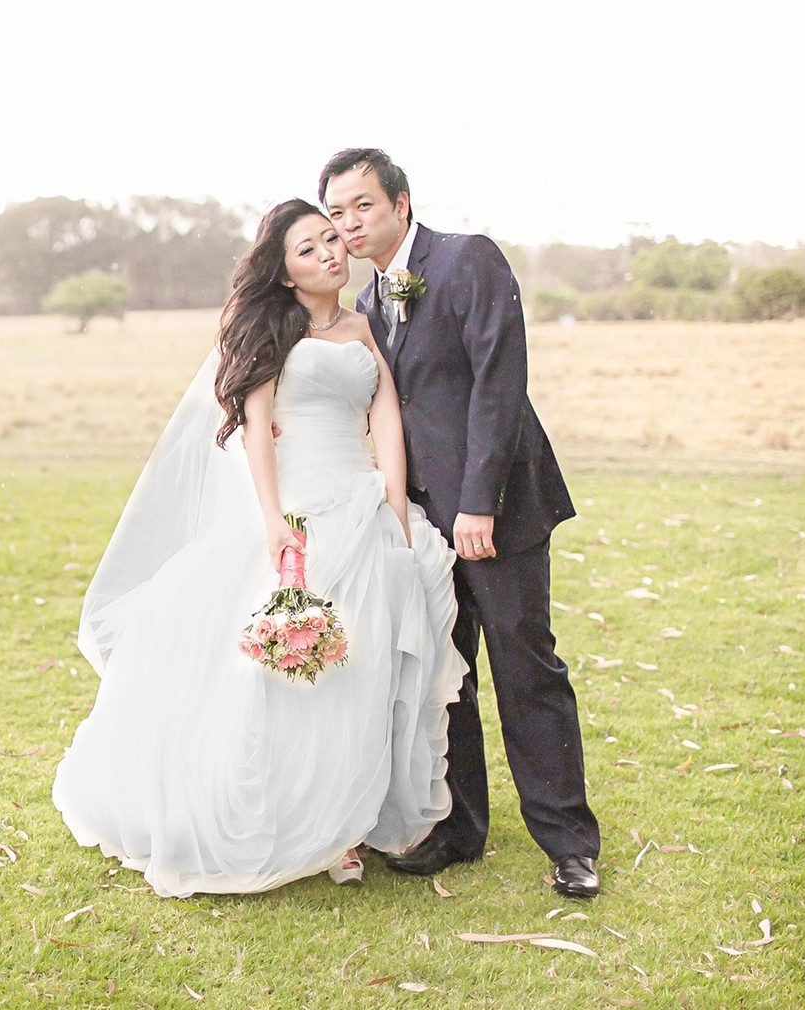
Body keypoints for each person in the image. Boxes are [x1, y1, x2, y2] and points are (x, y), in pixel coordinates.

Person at [52, 199, 466, 898]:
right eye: (308, 249)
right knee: (288, 668)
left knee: (362, 669)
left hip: (362, 505)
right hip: (298, 511)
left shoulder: (365, 327)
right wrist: (274, 521)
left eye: (332, 240)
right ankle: (283, 812)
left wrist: (395, 509)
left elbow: (386, 418)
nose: (329, 254)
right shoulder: (274, 329)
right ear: (282, 271)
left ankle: (345, 827)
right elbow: (256, 424)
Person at [319, 149, 602, 898]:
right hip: (421, 522)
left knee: (525, 668)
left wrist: (480, 501)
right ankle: (459, 828)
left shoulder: (466, 260)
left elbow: (498, 383)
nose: (348, 223)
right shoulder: (371, 300)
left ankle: (570, 842)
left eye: (362, 206)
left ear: (402, 203)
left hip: (496, 508)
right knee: (450, 676)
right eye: (336, 211)